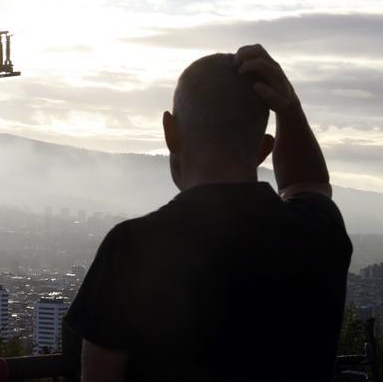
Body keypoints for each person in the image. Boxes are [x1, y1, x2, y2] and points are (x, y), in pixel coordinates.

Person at [64, 45, 352, 381]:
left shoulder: (131, 249)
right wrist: (290, 108)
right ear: (263, 150)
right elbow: (309, 181)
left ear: (170, 133)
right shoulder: (319, 234)